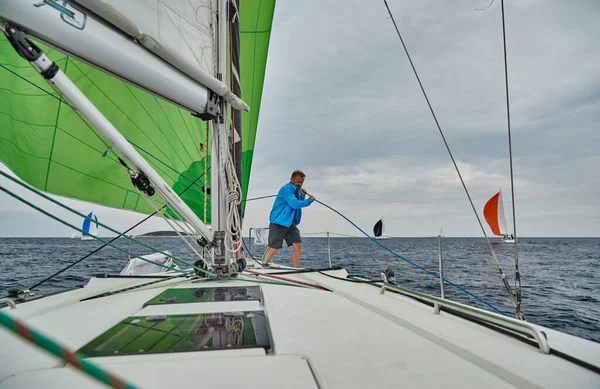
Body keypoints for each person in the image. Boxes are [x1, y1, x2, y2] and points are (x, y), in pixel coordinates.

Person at [262, 170, 315, 268]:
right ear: (292, 179)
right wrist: (309, 200)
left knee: (298, 244)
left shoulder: (296, 190)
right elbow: (294, 204)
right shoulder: (286, 189)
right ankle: (265, 264)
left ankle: (296, 268)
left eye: (301, 182)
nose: (300, 184)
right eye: (298, 182)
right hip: (279, 221)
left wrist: (302, 196)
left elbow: (297, 201)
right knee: (274, 248)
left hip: (290, 222)